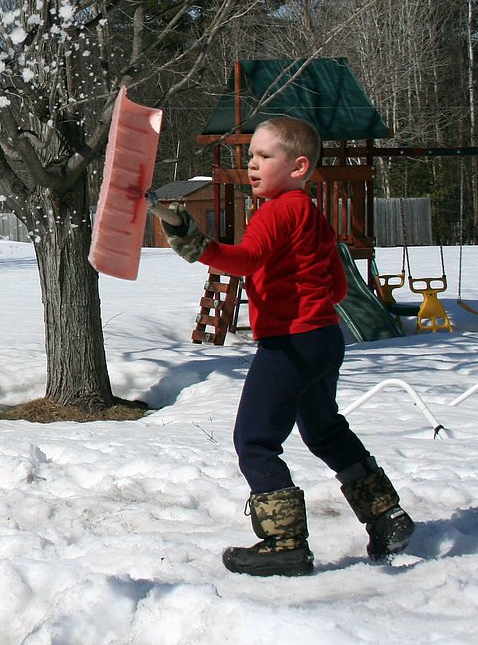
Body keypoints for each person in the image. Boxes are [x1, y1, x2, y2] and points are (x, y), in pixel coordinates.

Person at [160, 116, 414, 577]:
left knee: (254, 439)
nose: (252, 165)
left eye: (264, 156)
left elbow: (246, 259)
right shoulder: (310, 212)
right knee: (323, 430)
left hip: (290, 346)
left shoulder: (277, 211)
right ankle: (386, 515)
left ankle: (284, 543)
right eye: (250, 156)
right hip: (323, 339)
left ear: (298, 166)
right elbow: (336, 286)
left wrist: (196, 243)